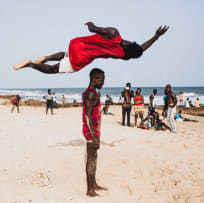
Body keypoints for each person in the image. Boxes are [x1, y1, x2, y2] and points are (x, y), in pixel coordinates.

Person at [13, 22, 169, 74]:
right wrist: (156, 38)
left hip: (77, 43)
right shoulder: (124, 55)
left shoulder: (114, 33)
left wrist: (90, 24)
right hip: (82, 58)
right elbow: (142, 48)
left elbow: (93, 29)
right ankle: (30, 64)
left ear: (132, 42)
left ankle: (46, 57)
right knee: (51, 70)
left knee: (65, 54)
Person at [82, 68, 107, 197]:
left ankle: (94, 184)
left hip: (94, 130)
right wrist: (93, 136)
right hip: (90, 131)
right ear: (94, 79)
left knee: (94, 157)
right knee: (90, 159)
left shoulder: (92, 92)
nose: (103, 82)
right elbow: (87, 116)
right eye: (102, 80)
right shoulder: (90, 94)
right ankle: (90, 190)